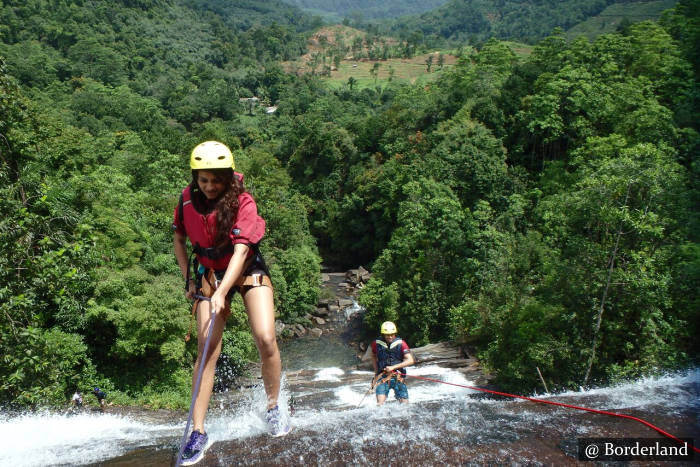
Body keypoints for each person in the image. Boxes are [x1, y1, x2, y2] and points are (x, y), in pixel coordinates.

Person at [173, 141, 289, 466]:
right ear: (196, 177)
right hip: (209, 272)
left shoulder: (243, 202)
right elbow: (179, 239)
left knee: (265, 337)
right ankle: (198, 431)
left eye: (216, 180)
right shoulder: (185, 201)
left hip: (246, 268)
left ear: (227, 177)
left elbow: (240, 252)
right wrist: (191, 280)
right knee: (207, 348)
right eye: (203, 179)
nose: (209, 187)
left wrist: (223, 291)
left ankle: (273, 406)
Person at [371, 321, 414, 405]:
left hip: (398, 377)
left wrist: (393, 367)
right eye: (387, 335)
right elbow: (373, 356)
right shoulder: (376, 344)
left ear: (395, 333)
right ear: (383, 334)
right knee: (379, 405)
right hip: (382, 377)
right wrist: (376, 373)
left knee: (405, 405)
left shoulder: (402, 344)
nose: (390, 337)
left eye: (392, 334)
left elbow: (410, 360)